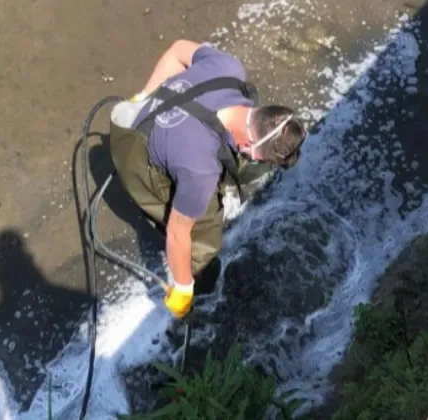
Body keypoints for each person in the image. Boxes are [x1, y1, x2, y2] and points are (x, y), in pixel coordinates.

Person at [108, 39, 307, 320]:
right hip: (135, 154)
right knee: (203, 229)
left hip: (149, 120)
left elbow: (178, 50)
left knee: (219, 174)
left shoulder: (228, 68)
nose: (259, 162)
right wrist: (183, 289)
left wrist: (145, 97)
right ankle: (202, 285)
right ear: (251, 141)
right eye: (260, 157)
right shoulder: (201, 170)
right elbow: (178, 233)